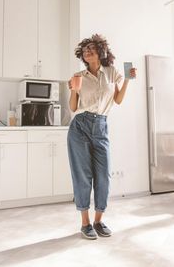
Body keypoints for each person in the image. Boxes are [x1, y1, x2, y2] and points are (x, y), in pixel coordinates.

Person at [67, 34, 136, 240]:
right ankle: (85, 223)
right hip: (80, 126)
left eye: (92, 48)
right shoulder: (78, 75)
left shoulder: (111, 72)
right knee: (83, 175)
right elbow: (73, 107)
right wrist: (73, 90)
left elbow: (118, 100)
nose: (87, 51)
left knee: (104, 175)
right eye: (85, 49)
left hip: (102, 126)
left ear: (101, 52)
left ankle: (98, 220)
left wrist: (128, 81)